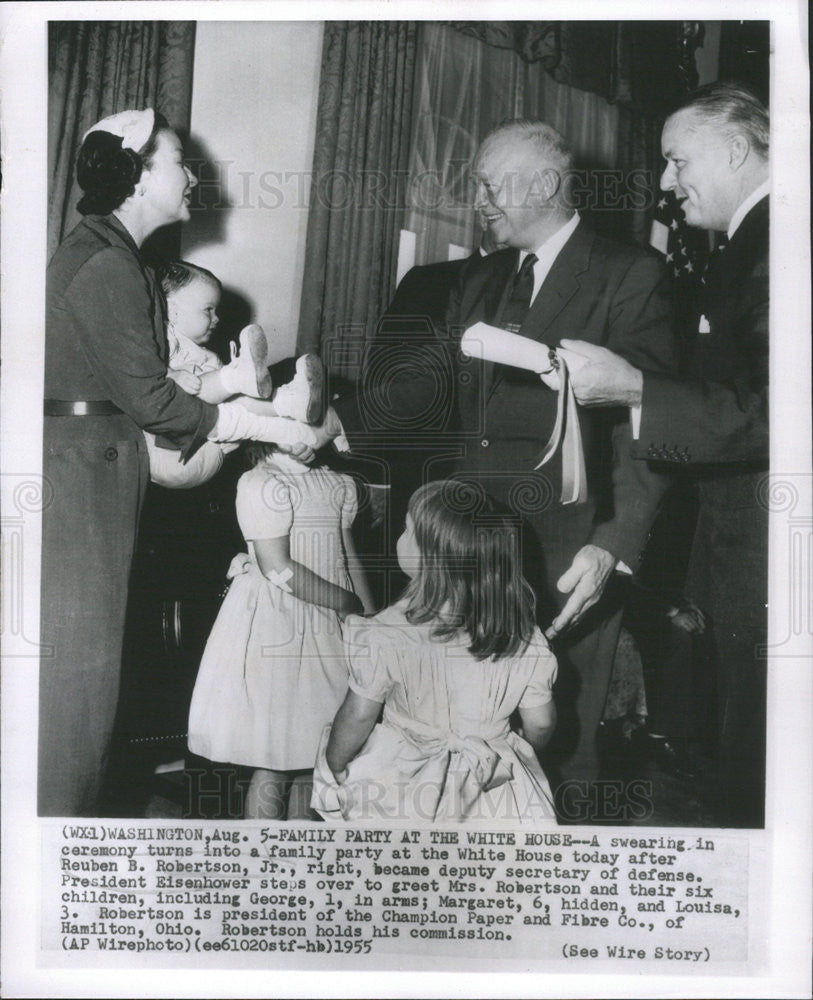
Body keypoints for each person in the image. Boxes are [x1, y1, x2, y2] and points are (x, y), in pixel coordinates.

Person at [334, 120, 678, 816]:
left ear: (546, 184)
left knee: (558, 726)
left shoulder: (629, 272)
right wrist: (338, 422)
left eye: (490, 184)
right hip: (465, 542)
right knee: (451, 719)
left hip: (567, 541)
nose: (478, 199)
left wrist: (613, 544)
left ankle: (558, 872)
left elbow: (653, 427)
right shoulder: (482, 276)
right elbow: (430, 379)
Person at [40, 108, 333, 816]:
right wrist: (243, 416)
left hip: (98, 474)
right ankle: (51, 841)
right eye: (177, 158)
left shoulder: (119, 257)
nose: (191, 173)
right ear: (136, 174)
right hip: (77, 483)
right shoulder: (106, 262)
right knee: (76, 688)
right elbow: (160, 405)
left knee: (91, 680)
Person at [561, 82, 769, 826]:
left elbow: (779, 409)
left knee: (758, 762)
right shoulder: (743, 246)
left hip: (767, 552)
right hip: (739, 553)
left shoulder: (778, 241)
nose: (664, 183)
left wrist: (632, 389)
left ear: (736, 150)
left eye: (677, 160)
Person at [311, 480, 558, 824]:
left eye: (407, 529)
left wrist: (335, 763)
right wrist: (520, 743)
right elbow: (541, 723)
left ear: (429, 557)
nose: (401, 536)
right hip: (493, 780)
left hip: (404, 781)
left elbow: (357, 716)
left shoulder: (387, 632)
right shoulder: (523, 637)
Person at [187, 443, 375, 819]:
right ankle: (263, 857)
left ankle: (298, 855)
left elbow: (347, 555)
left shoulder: (337, 482)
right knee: (274, 757)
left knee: (316, 751)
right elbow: (278, 569)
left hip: (330, 626)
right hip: (278, 626)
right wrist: (345, 602)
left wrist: (370, 618)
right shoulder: (263, 484)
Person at [145, 259, 325, 488]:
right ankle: (269, 396)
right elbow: (147, 371)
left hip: (206, 449)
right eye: (208, 309)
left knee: (237, 403)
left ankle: (288, 406)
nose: (217, 318)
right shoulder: (164, 336)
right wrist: (171, 374)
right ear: (173, 311)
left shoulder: (206, 355)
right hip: (170, 454)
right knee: (223, 395)